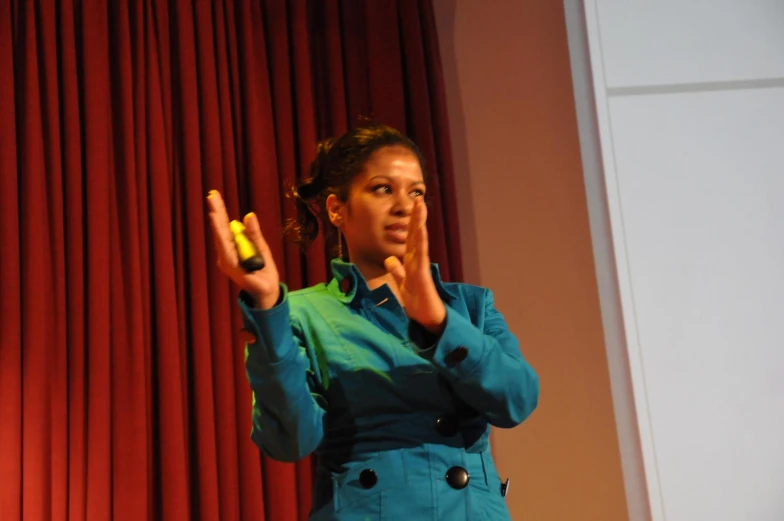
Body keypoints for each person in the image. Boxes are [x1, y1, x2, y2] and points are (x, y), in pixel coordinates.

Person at [206, 123, 539, 520]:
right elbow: (289, 441)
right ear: (336, 209)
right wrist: (266, 306)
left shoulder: (470, 305)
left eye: (416, 192)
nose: (404, 206)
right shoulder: (299, 313)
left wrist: (438, 322)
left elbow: (517, 401)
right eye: (384, 189)